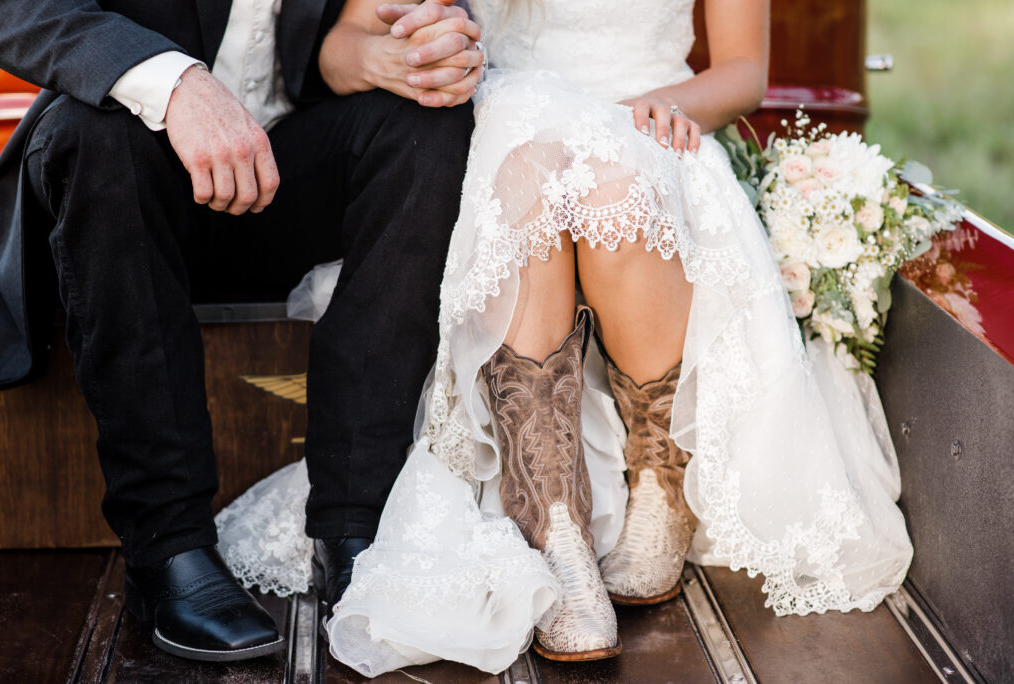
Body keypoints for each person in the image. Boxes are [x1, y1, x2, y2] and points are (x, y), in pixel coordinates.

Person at [216, 0, 915, 676]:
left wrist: (669, 110)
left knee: (612, 179)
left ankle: (658, 484)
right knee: (533, 167)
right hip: (509, 125)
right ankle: (551, 521)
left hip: (653, 118)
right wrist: (390, 60)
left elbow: (742, 71)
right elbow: (343, 48)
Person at [0, 0, 485, 663]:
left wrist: (414, 47)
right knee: (96, 137)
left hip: (287, 166)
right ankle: (167, 549)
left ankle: (355, 526)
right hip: (124, 171)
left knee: (428, 123)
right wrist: (172, 82)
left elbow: (341, 31)